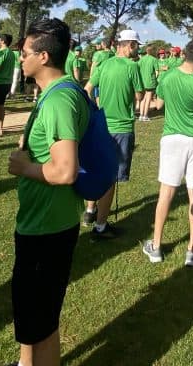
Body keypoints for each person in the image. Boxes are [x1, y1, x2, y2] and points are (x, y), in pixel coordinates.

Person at [8, 18, 89, 366]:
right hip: (44, 221)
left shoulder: (59, 100)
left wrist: (23, 167)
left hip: (47, 227)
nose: (20, 59)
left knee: (38, 317)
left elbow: (65, 170)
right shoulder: (58, 93)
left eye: (24, 53)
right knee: (38, 318)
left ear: (42, 57)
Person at [143, 40, 193, 267]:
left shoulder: (168, 77)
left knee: (166, 193)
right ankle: (192, 250)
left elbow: (159, 104)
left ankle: (155, 246)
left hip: (172, 139)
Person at [83, 30, 144, 238]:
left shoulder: (104, 64)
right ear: (129, 45)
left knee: (96, 168)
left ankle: (90, 210)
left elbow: (87, 88)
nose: (137, 50)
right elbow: (139, 94)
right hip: (122, 127)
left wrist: (93, 111)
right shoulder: (132, 67)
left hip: (101, 125)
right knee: (110, 178)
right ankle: (100, 226)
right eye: (136, 46)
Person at [137, 44, 159, 121]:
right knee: (148, 99)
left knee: (143, 99)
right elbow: (157, 72)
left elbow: (137, 68)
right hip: (150, 82)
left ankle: (141, 115)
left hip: (142, 82)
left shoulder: (141, 59)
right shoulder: (154, 59)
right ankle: (145, 115)